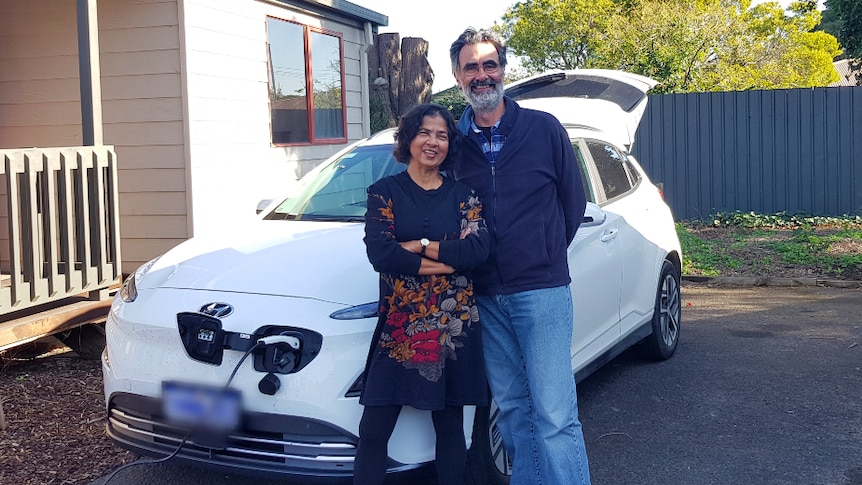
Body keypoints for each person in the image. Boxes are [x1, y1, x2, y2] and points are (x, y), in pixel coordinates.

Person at [448, 27, 592, 484]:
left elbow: (572, 203)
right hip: (485, 295)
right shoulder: (453, 144)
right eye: (471, 66)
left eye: (489, 64)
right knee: (511, 410)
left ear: (504, 70)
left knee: (554, 415)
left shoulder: (543, 129)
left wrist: (543, 254)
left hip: (542, 291)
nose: (482, 75)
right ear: (457, 76)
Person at [355, 103, 491, 485]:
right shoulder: (384, 192)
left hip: (452, 327)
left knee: (449, 429)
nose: (433, 142)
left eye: (442, 135)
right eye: (425, 133)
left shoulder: (465, 195)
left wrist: (417, 244)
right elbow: (381, 254)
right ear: (409, 139)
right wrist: (448, 257)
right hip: (400, 326)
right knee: (374, 430)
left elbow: (477, 252)